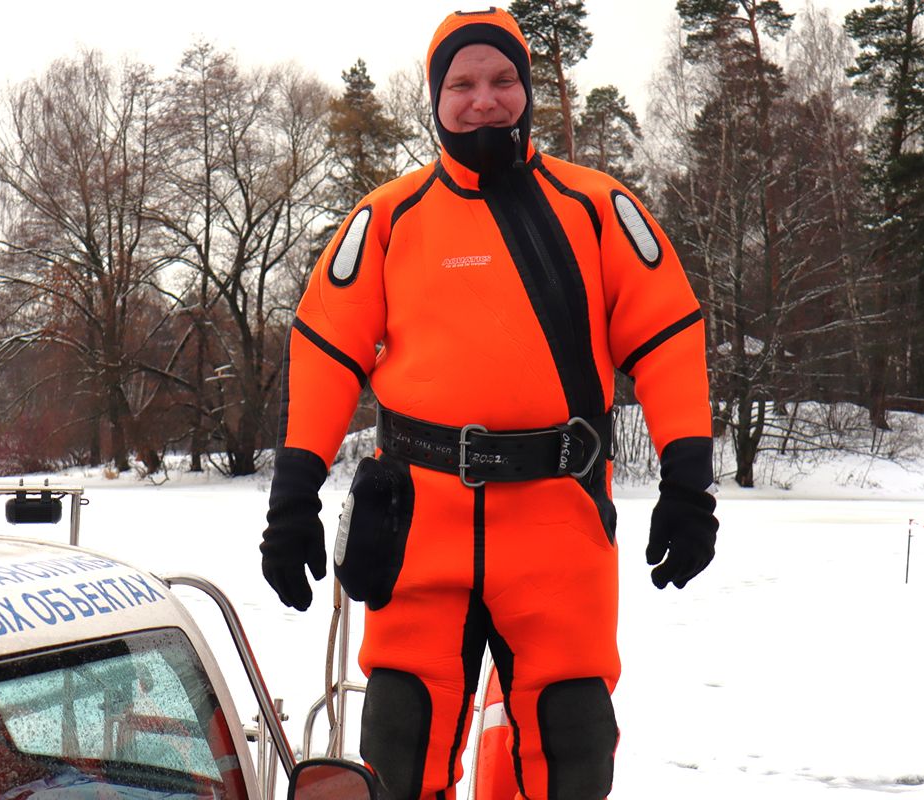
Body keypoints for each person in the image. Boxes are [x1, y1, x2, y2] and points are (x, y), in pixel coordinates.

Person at [258, 7, 718, 800]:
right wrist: (293, 497)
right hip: (418, 522)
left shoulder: (597, 208)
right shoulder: (389, 219)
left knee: (572, 747)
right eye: (463, 83)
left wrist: (689, 483)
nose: (485, 100)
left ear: (528, 90)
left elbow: (670, 338)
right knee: (398, 745)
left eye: (504, 80)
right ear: (434, 98)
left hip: (557, 524)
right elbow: (325, 351)